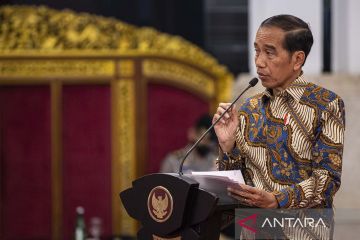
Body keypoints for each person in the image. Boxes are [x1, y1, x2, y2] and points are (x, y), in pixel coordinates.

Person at [213, 14, 345, 238]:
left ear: (297, 59)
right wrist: (228, 148)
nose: (259, 61)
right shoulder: (248, 108)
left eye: (270, 52)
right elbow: (233, 188)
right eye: (257, 50)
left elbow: (328, 180)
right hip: (252, 232)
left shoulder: (325, 104)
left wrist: (277, 200)